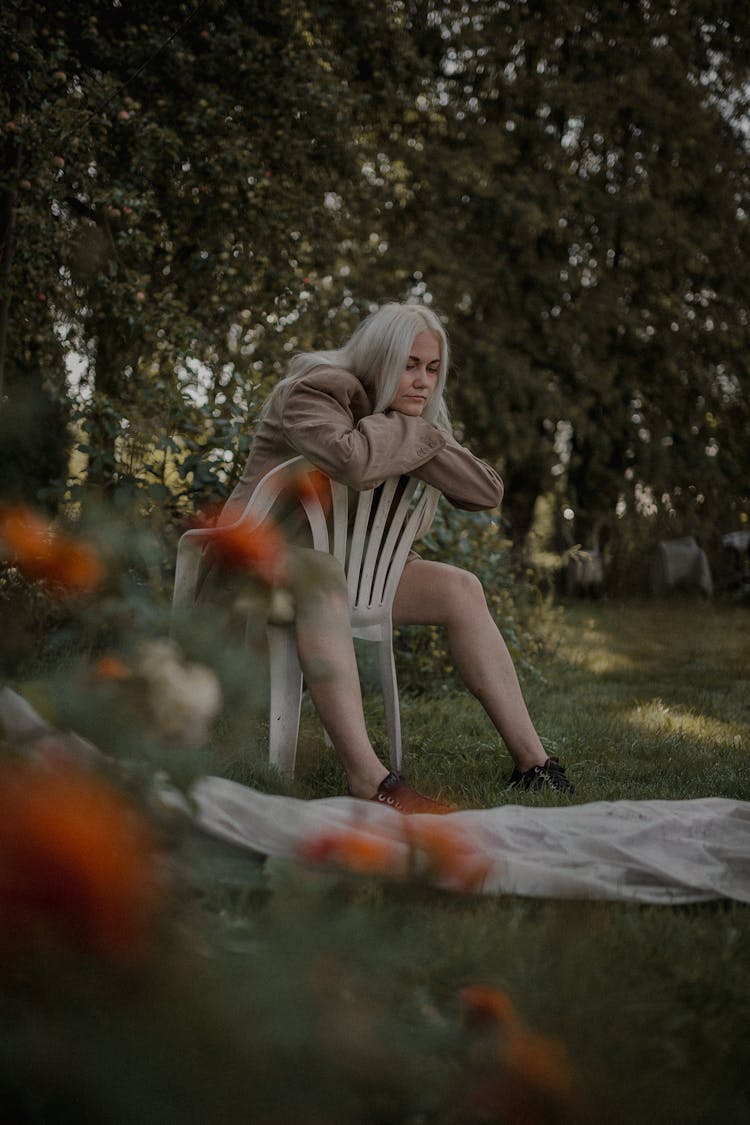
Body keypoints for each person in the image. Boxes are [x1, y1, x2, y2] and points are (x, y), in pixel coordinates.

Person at [217, 301, 573, 812]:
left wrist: (419, 430)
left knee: (461, 588)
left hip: (347, 569)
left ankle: (533, 764)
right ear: (379, 357)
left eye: (432, 369)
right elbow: (353, 461)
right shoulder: (312, 391)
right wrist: (410, 428)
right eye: (409, 364)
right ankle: (369, 779)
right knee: (322, 574)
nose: (423, 381)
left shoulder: (411, 417)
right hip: (260, 562)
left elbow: (485, 491)